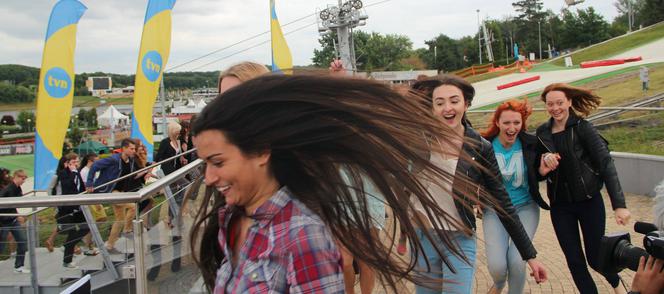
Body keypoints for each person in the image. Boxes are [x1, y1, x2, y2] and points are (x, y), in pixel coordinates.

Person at [189, 74, 485, 292]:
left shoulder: (301, 235)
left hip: (372, 202)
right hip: (348, 203)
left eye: (218, 162)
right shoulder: (229, 219)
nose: (209, 178)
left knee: (361, 260)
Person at [409, 75, 547, 293]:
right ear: (432, 108)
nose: (448, 108)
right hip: (423, 237)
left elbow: (502, 201)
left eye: (454, 101)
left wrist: (530, 256)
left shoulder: (481, 148)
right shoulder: (416, 139)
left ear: (466, 104)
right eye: (440, 102)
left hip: (460, 238)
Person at [536, 83, 631, 294]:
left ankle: (617, 285)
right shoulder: (542, 132)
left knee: (596, 257)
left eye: (560, 103)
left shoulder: (583, 128)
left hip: (589, 202)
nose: (555, 108)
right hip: (560, 206)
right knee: (575, 261)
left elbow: (606, 163)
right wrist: (543, 166)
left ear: (569, 102)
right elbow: (536, 168)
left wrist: (619, 205)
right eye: (550, 104)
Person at [481, 99, 551, 294]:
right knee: (497, 267)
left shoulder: (530, 144)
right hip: (495, 210)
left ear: (522, 123)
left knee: (517, 260)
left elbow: (535, 174)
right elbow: (474, 176)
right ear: (497, 123)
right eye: (506, 123)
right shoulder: (484, 146)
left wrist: (542, 172)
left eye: (516, 123)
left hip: (526, 207)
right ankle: (499, 283)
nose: (512, 128)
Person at [85, 138, 138, 252]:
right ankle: (127, 230)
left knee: (120, 220)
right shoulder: (114, 159)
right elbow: (95, 166)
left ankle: (109, 244)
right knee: (133, 206)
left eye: (134, 149)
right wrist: (89, 183)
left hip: (120, 192)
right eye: (131, 148)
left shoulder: (131, 161)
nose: (134, 151)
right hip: (111, 191)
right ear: (124, 148)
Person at [55, 153, 91, 268]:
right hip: (67, 209)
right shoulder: (62, 174)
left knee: (86, 227)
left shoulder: (76, 173)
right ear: (67, 163)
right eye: (74, 162)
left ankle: (67, 245)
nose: (76, 164)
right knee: (71, 233)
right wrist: (73, 173)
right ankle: (67, 259)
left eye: (77, 162)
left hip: (78, 207)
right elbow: (67, 187)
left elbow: (79, 187)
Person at [0, 170, 29, 273]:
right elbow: (4, 205)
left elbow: (13, 205)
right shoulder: (8, 189)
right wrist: (16, 215)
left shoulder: (17, 188)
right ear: (16, 177)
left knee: (22, 241)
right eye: (22, 178)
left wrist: (16, 215)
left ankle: (19, 266)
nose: (23, 181)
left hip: (12, 220)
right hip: (4, 221)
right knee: (1, 245)